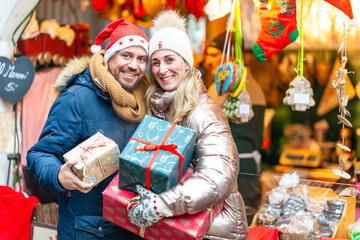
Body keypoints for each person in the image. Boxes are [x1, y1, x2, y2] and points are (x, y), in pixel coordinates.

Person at [126, 11, 248, 240]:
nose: (162, 70)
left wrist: (161, 205)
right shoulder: (158, 107)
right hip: (179, 227)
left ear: (186, 62)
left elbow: (217, 176)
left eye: (170, 60)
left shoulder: (203, 112)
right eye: (156, 62)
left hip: (213, 232)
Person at [27, 19, 149, 240]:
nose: (134, 65)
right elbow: (39, 154)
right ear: (109, 56)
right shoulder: (77, 99)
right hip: (89, 231)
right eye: (126, 56)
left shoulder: (146, 102)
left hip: (132, 228)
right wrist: (58, 175)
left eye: (142, 59)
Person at [205, 32, 267, 224]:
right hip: (237, 169)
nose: (208, 61)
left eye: (214, 55)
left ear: (230, 56)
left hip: (238, 171)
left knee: (239, 223)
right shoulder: (250, 83)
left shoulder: (228, 85)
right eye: (208, 55)